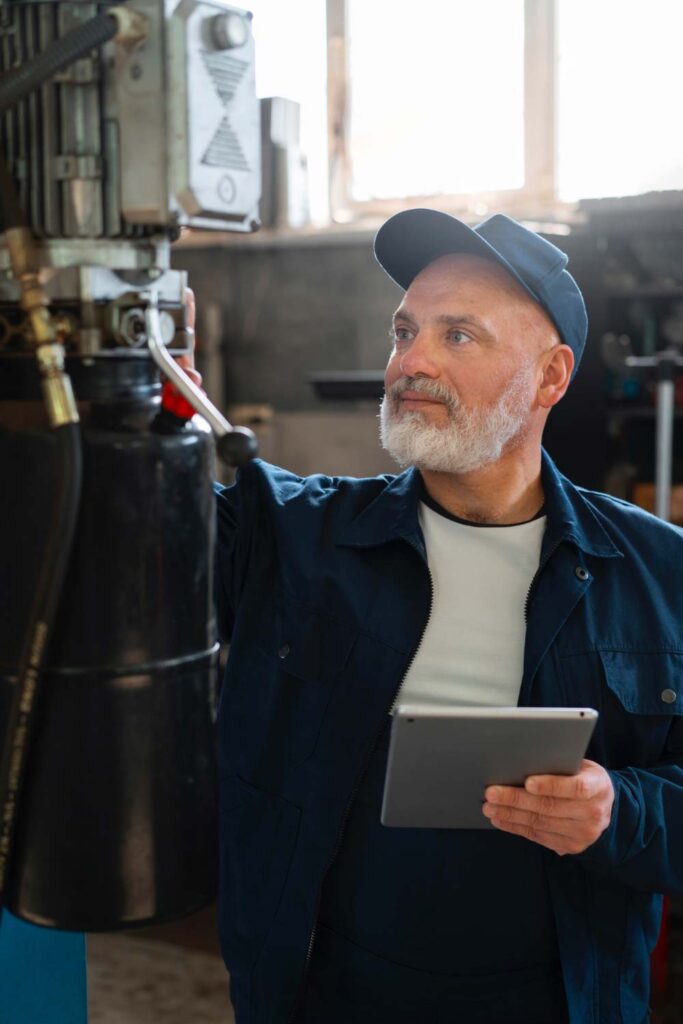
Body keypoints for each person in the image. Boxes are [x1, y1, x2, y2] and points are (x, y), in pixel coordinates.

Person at [185, 209, 683, 1024]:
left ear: (551, 378)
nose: (407, 364)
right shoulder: (290, 537)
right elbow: (129, 541)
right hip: (324, 992)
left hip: (553, 1000)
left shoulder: (660, 574)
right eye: (403, 331)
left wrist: (618, 809)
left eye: (458, 337)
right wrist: (154, 400)